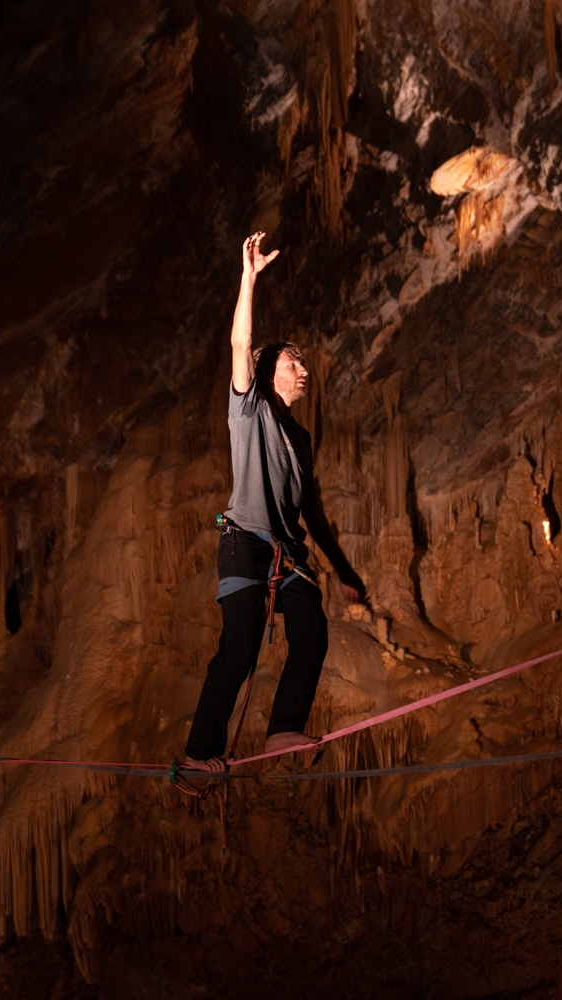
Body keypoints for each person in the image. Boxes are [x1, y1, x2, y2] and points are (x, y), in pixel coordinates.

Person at [180, 232, 366, 773]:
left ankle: (283, 728)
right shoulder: (249, 409)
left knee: (312, 632)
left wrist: (346, 571)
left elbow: (314, 515)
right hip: (244, 545)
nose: (302, 370)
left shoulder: (301, 440)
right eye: (292, 362)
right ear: (268, 374)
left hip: (288, 556)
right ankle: (200, 752)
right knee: (239, 646)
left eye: (302, 364)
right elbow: (240, 347)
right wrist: (249, 277)